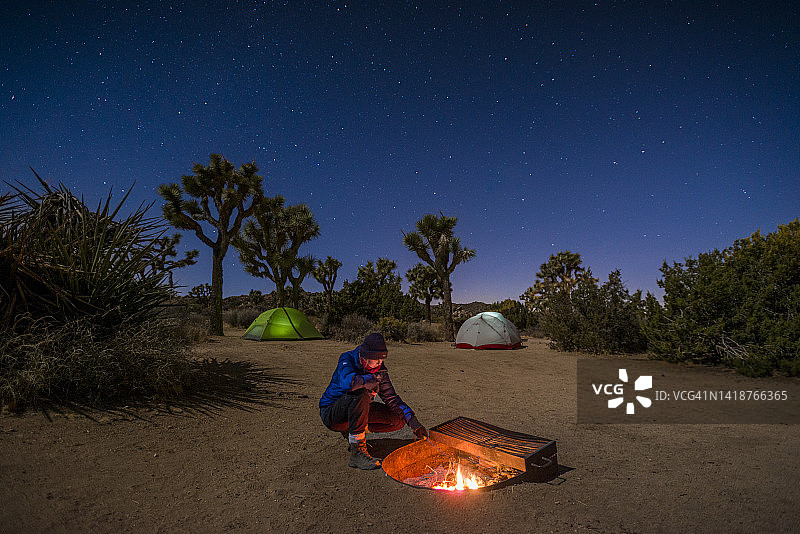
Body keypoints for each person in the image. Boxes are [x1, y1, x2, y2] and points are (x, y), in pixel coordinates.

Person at [319, 332, 428, 470]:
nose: (379, 362)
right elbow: (348, 383)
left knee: (397, 420)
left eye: (382, 359)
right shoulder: (347, 359)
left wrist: (414, 423)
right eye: (376, 359)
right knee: (360, 393)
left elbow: (392, 398)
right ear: (365, 356)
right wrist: (370, 380)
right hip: (332, 412)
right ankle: (357, 453)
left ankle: (355, 432)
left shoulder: (379, 371)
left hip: (358, 409)